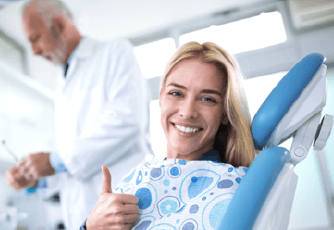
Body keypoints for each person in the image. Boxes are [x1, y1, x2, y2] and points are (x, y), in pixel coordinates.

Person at [5, 0, 153, 229]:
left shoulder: (114, 53)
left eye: (35, 39)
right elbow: (76, 165)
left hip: (124, 208)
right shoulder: (62, 82)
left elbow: (128, 122)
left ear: (59, 24)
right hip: (85, 217)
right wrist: (38, 177)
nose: (33, 51)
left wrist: (55, 160)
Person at [82, 41, 256, 230]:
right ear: (161, 97)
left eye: (207, 99)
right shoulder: (134, 179)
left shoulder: (235, 188)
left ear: (224, 112)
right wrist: (90, 226)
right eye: (176, 93)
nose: (188, 112)